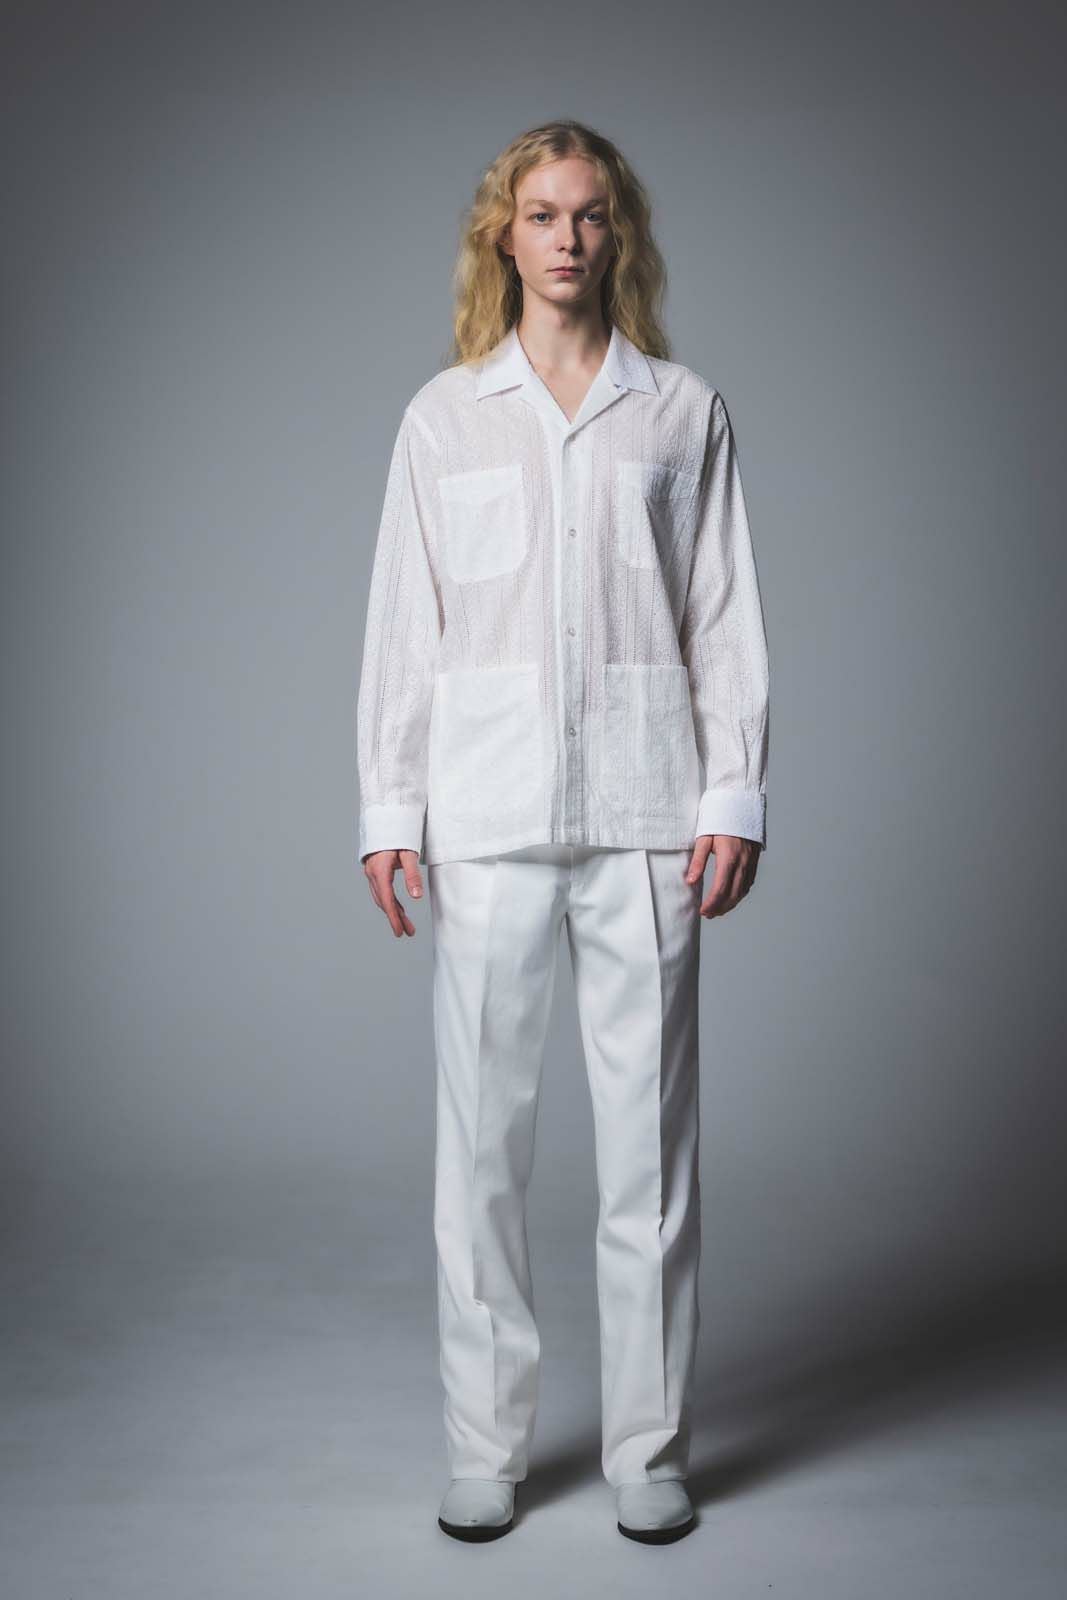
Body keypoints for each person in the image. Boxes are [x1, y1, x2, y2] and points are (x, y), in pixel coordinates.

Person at [355, 119, 769, 1545]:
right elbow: (406, 626)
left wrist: (733, 794)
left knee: (650, 1152)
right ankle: (487, 1446)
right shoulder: (443, 418)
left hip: (649, 812)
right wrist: (388, 808)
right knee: (481, 1147)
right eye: (542, 213)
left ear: (619, 234)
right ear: (505, 234)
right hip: (485, 811)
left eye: (590, 214)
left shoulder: (683, 413)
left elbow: (722, 613)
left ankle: (649, 1449)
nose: (568, 238)